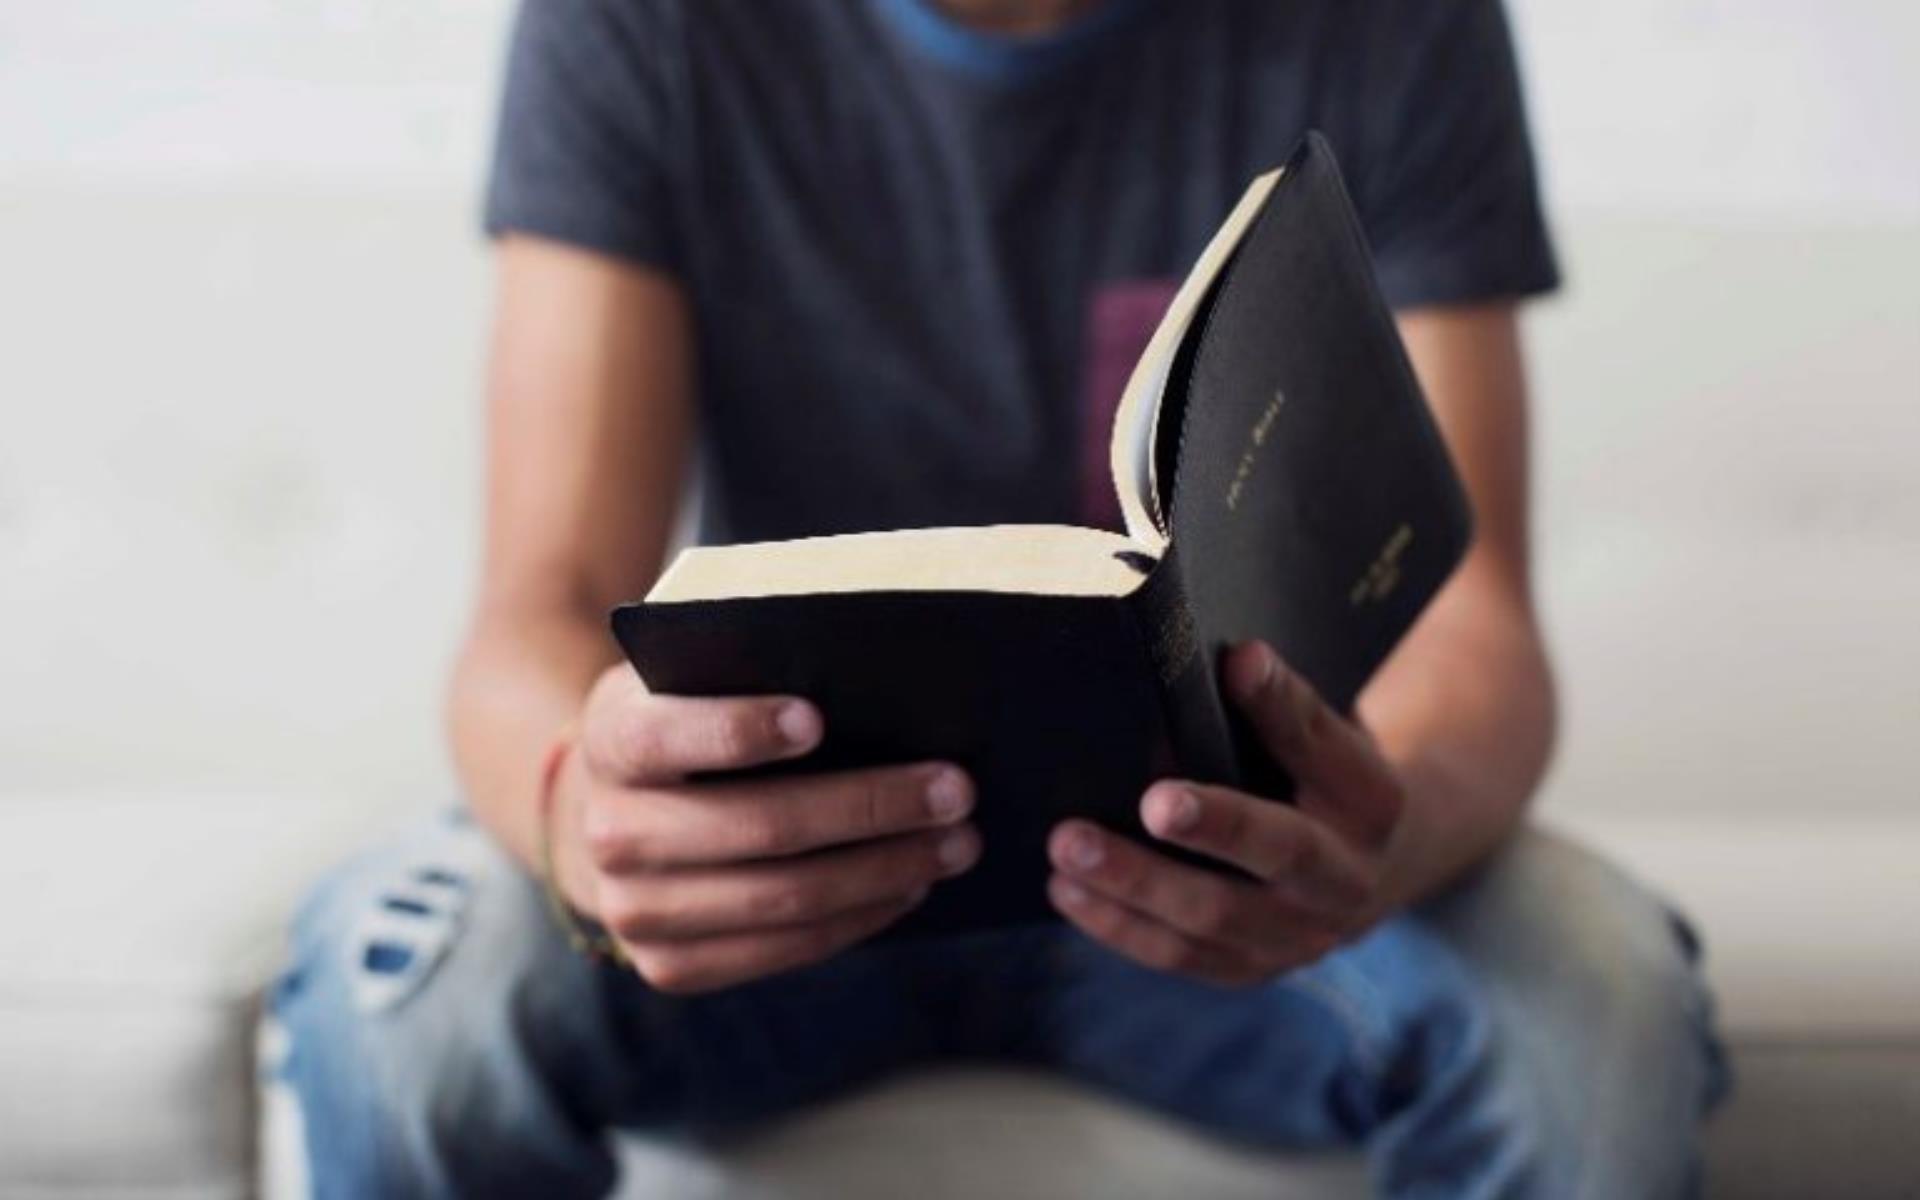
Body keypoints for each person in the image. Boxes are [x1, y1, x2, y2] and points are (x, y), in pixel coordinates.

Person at [270, 0, 1728, 1195]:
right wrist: (577, 820)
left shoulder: (1392, 23)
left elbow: (1471, 625)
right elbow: (541, 605)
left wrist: (1372, 841)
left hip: (1221, 889)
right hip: (784, 884)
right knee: (412, 992)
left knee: (1595, 1004)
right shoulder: (641, 23)